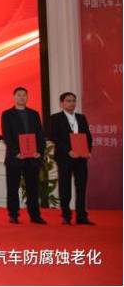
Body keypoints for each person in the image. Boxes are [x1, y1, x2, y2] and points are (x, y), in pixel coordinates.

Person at [1, 87, 47, 224]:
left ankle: (35, 215)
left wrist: (39, 151)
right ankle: (13, 214)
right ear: (14, 97)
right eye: (19, 95)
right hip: (15, 157)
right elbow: (7, 136)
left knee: (33, 188)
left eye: (24, 95)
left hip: (32, 157)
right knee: (12, 188)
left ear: (27, 97)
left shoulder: (34, 114)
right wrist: (16, 152)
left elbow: (40, 135)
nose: (21, 97)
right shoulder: (7, 114)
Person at [49, 92, 95, 225]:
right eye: (68, 101)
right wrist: (68, 151)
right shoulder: (55, 118)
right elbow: (53, 136)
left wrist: (88, 151)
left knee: (81, 187)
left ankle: (81, 216)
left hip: (81, 157)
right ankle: (66, 215)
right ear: (61, 103)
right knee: (65, 187)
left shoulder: (81, 117)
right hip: (65, 157)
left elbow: (88, 136)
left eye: (73, 101)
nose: (72, 103)